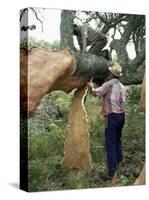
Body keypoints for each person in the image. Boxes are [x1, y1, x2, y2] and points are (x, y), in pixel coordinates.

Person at [87, 62, 127, 181]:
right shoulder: (122, 86)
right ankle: (119, 162)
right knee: (117, 140)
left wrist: (90, 85)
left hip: (112, 117)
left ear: (110, 74)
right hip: (121, 116)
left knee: (110, 144)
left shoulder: (108, 84)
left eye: (109, 72)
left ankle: (111, 173)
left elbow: (96, 93)